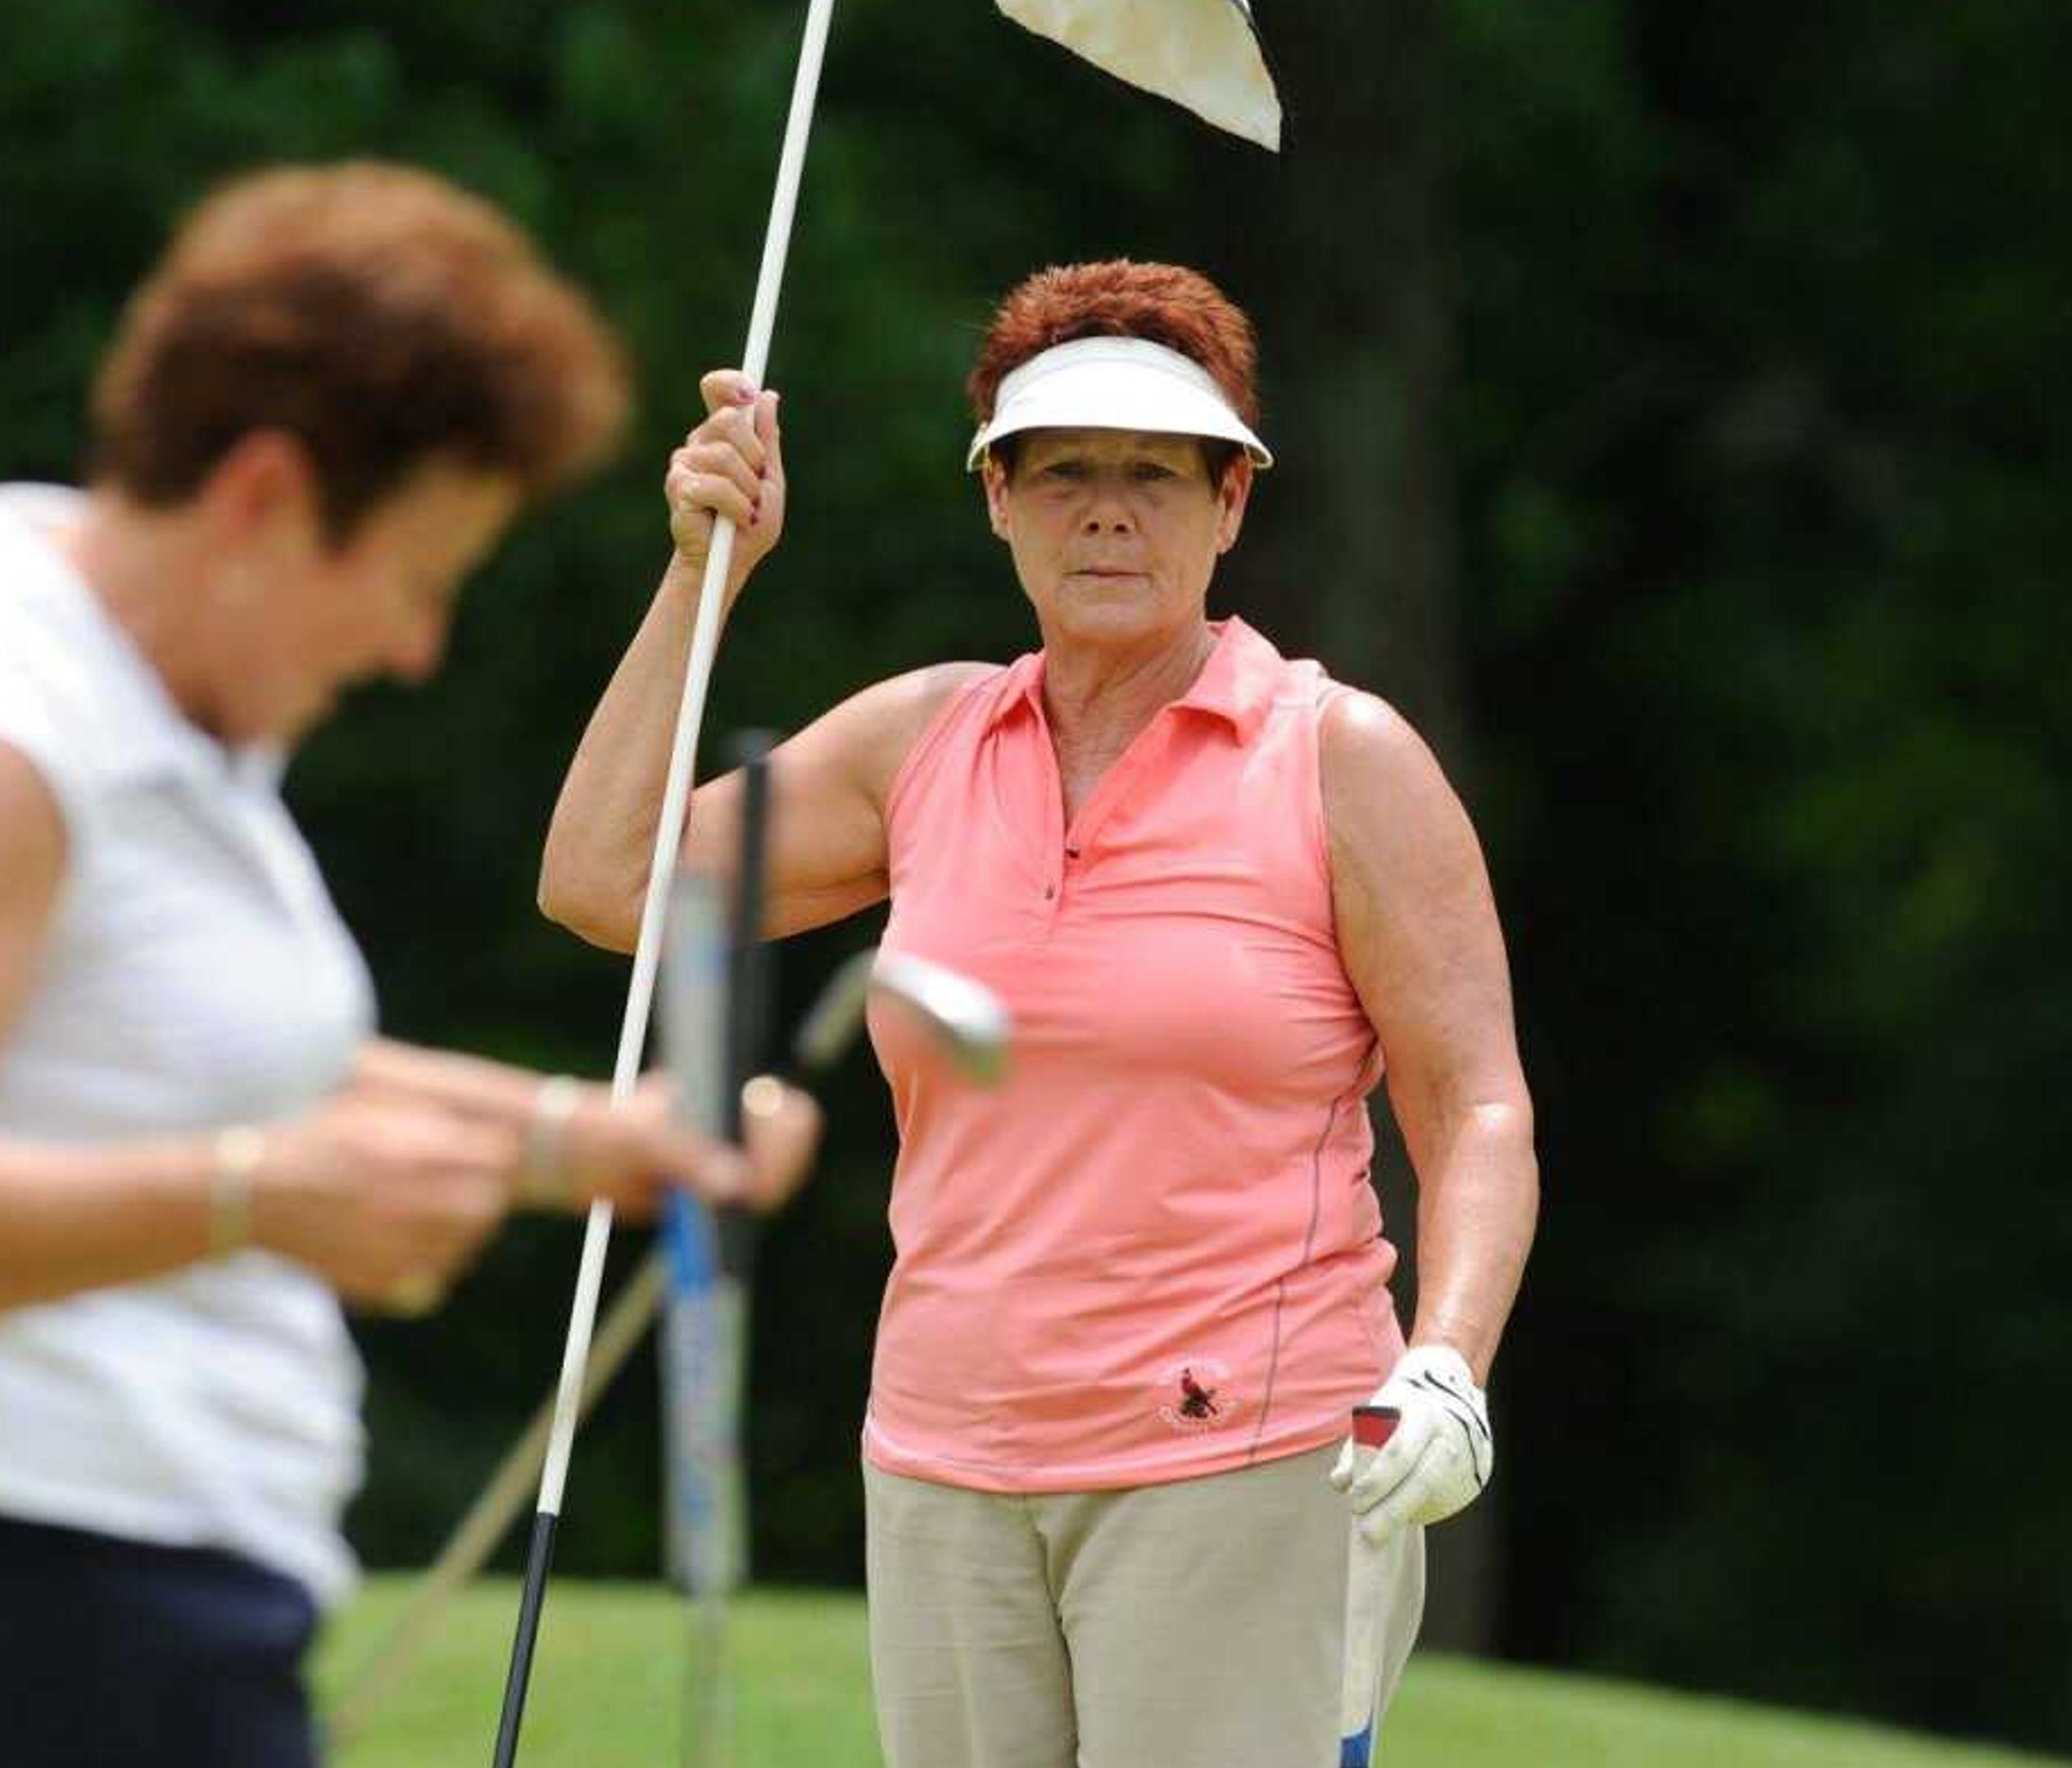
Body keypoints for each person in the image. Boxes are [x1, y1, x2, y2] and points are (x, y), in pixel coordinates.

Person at [0, 161, 819, 1768]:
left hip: (139, 1582)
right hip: (8, 1569)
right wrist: (254, 1195)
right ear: (262, 500)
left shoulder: (157, 731)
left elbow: (202, 1060)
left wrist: (584, 1143)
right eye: (417, 578)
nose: (414, 649)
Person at [540, 258, 1538, 1766]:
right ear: (997, 499)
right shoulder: (925, 739)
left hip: (1244, 1464)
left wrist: (1449, 1358)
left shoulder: (1341, 757)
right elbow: (608, 881)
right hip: (945, 1457)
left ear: (1232, 505)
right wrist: (706, 572)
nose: (1109, 510)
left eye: (1154, 474)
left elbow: (1474, 1107)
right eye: (1063, 471)